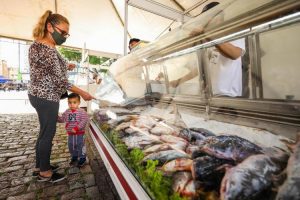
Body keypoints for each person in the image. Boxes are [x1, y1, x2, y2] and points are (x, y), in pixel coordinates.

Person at [28, 10, 94, 183]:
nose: (64, 36)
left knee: (43, 132)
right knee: (47, 135)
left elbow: (60, 62)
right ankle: (45, 173)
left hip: (37, 94)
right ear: (50, 27)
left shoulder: (41, 44)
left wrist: (68, 64)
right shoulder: (47, 50)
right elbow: (62, 82)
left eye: (67, 33)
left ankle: (40, 166)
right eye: (63, 32)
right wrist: (83, 93)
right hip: (46, 97)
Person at [170, 2, 245, 97]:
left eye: (207, 17)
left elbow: (235, 54)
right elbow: (200, 68)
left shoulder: (233, 32)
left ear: (218, 17)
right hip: (210, 96)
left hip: (227, 95)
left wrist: (206, 34)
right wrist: (179, 81)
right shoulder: (208, 39)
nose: (205, 22)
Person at [57, 93, 89, 167]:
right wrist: (57, 117)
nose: (72, 104)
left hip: (79, 133)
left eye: (74, 102)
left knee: (80, 145)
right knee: (71, 145)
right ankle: (74, 156)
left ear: (79, 103)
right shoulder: (67, 111)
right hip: (70, 134)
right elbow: (62, 119)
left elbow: (84, 120)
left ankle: (82, 158)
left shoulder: (82, 112)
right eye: (70, 102)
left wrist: (76, 128)